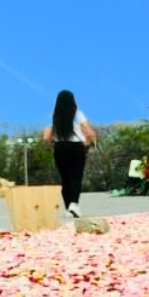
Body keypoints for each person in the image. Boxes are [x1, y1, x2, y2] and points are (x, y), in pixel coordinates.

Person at [40, 89, 98, 218]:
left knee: (65, 179)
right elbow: (88, 132)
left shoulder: (54, 115)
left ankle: (68, 208)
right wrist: (91, 141)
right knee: (75, 177)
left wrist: (55, 141)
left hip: (59, 148)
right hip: (76, 148)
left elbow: (46, 137)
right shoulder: (77, 113)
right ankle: (74, 204)